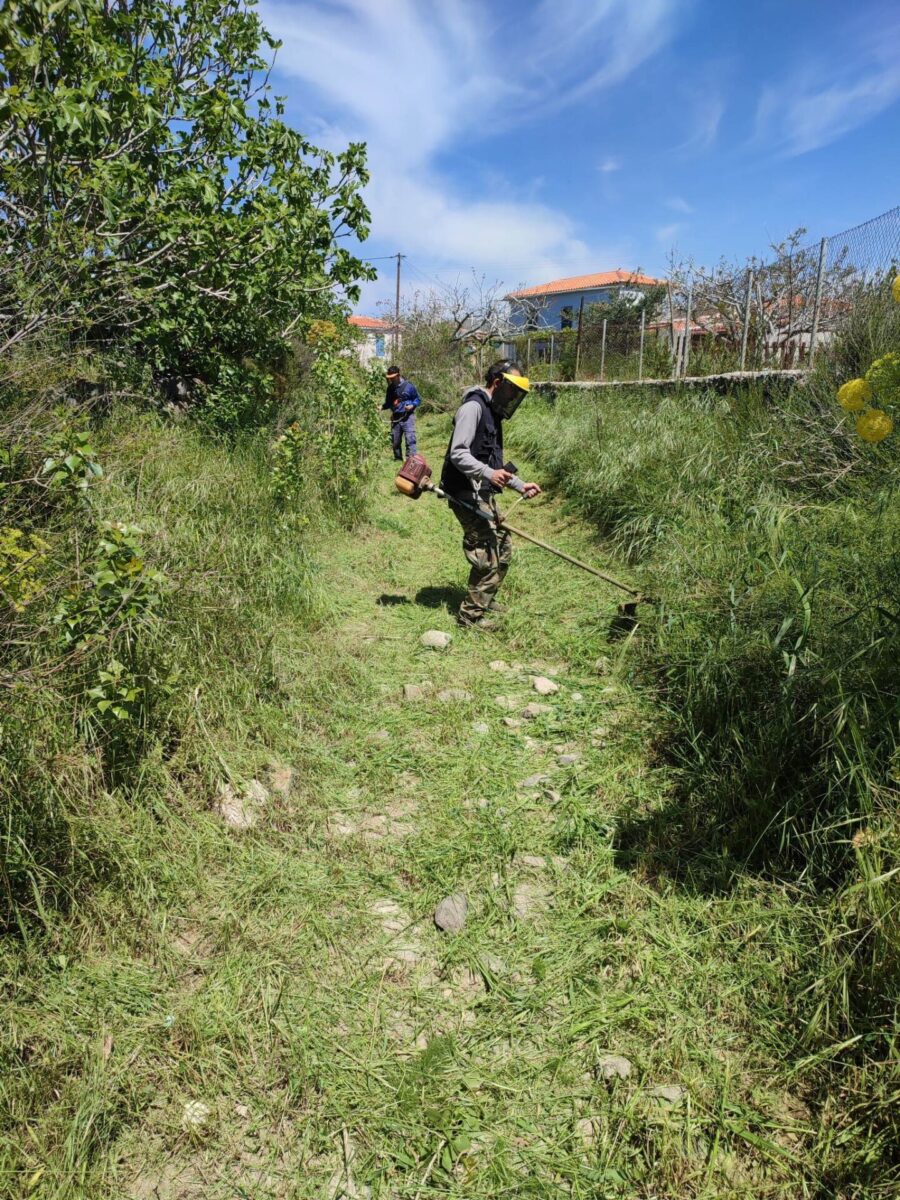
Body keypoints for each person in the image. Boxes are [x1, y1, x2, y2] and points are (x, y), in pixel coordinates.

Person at [440, 360, 541, 630]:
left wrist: (520, 485)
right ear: (498, 383)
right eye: (512, 391)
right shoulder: (472, 408)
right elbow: (458, 453)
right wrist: (487, 473)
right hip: (463, 491)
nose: (513, 399)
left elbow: (494, 464)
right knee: (486, 552)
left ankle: (484, 598)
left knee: (503, 547)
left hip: (481, 491)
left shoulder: (493, 413)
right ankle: (470, 617)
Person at [382, 365, 421, 461]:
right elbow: (388, 403)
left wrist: (412, 405)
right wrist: (381, 407)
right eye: (389, 378)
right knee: (395, 440)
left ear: (398, 375)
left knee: (410, 439)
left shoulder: (409, 386)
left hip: (408, 417)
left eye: (392, 378)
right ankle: (398, 459)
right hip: (396, 417)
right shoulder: (390, 389)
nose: (391, 380)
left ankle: (411, 460)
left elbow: (417, 399)